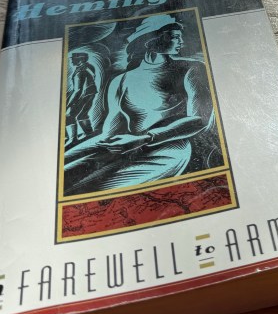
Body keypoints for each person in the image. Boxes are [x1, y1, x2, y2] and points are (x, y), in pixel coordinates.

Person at [63, 14, 217, 194]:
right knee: (63, 177)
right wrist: (77, 154)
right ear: (150, 40)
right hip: (125, 146)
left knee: (95, 190)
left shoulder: (191, 69)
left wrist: (145, 138)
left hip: (168, 149)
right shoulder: (121, 80)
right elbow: (110, 132)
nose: (181, 41)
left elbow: (200, 119)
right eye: (174, 36)